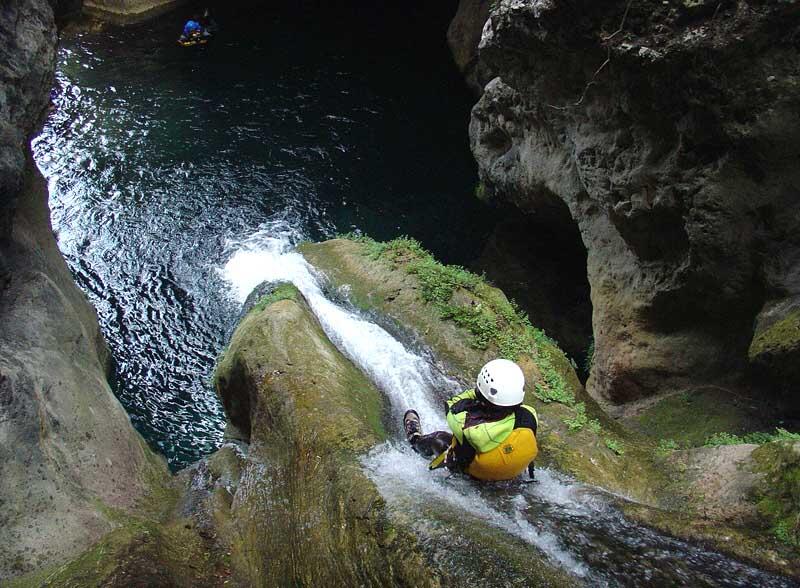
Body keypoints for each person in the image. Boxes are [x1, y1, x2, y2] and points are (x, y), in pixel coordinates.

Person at [404, 359, 539, 481]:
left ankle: (415, 439)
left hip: (476, 474)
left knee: (438, 438)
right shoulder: (529, 415)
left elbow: (451, 405)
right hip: (512, 468)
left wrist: (476, 394)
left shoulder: (469, 427)